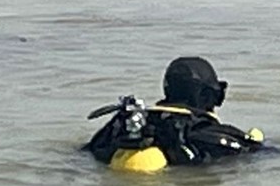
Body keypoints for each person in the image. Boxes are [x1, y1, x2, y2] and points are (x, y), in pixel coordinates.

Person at [84, 56, 263, 167]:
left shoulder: (126, 124)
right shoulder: (207, 132)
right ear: (206, 95)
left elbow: (85, 154)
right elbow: (259, 155)